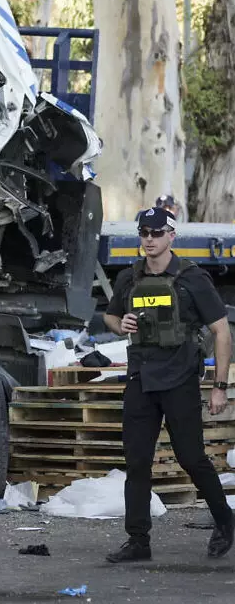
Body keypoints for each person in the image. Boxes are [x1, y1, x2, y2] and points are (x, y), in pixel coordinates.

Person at [103, 207, 234, 562]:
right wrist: (121, 324)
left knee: (191, 457)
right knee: (137, 461)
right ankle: (138, 541)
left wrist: (220, 385)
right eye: (144, 232)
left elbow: (221, 331)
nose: (149, 239)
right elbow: (110, 315)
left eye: (157, 233)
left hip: (180, 379)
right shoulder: (129, 278)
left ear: (171, 236)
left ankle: (225, 520)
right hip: (140, 378)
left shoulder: (193, 278)